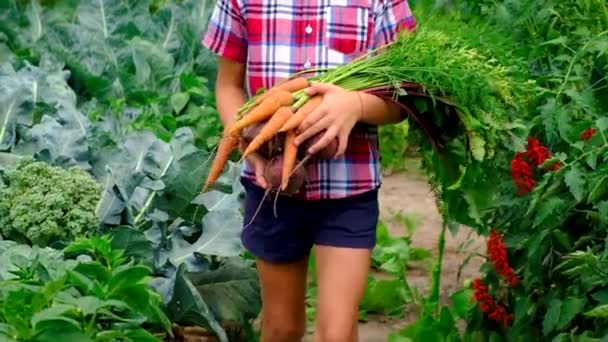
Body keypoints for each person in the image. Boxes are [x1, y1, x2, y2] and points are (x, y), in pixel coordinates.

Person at [202, 1, 416, 341]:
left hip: (348, 188)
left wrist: (354, 104)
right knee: (282, 328)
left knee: (337, 333)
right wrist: (244, 137)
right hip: (271, 187)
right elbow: (228, 84)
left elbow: (404, 99)